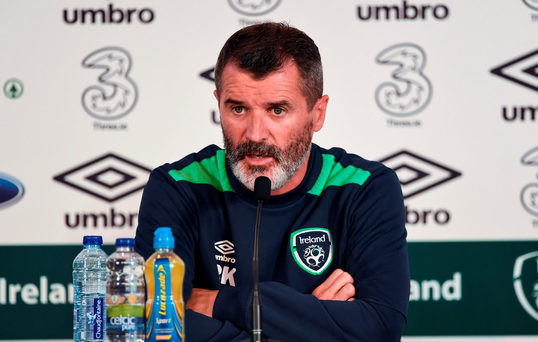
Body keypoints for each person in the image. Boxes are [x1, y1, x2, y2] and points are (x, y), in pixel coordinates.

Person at [135, 22, 409, 342]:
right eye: (237, 108)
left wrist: (225, 303)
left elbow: (379, 327)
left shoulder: (365, 187)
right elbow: (156, 325)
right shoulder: (177, 186)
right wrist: (305, 324)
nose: (254, 134)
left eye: (277, 110)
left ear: (317, 113)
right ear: (218, 102)